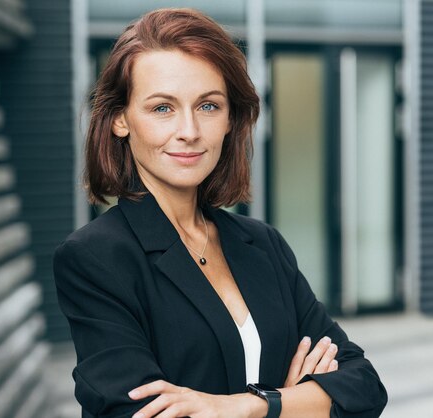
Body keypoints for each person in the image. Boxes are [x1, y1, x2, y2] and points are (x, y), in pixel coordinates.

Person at [53, 7, 387, 418]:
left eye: (208, 106)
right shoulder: (96, 257)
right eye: (162, 108)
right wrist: (297, 402)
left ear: (231, 118)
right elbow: (139, 413)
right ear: (120, 119)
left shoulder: (263, 244)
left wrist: (250, 406)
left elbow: (364, 385)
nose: (189, 130)